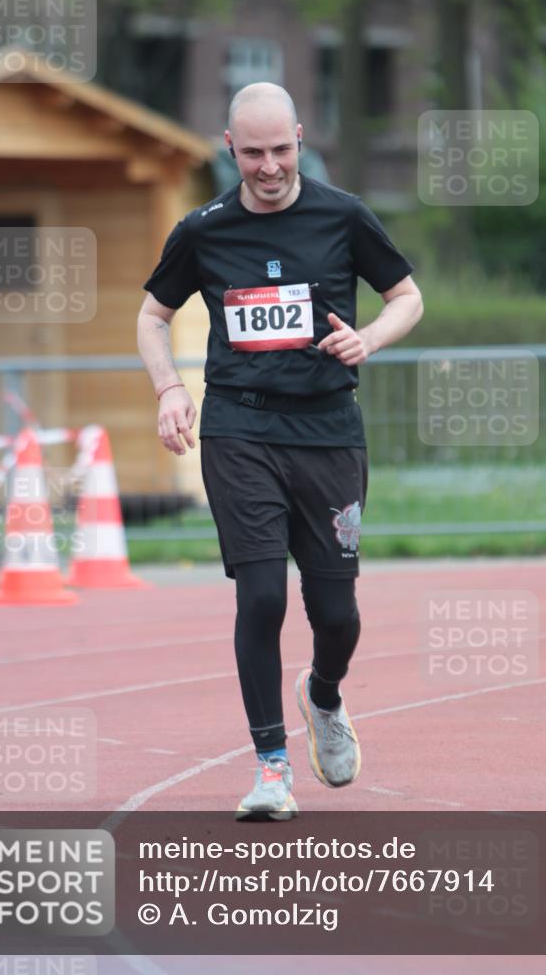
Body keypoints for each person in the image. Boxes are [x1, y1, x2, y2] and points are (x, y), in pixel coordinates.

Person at [138, 83, 423, 820]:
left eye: (281, 150)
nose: (268, 167)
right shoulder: (203, 230)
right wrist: (170, 389)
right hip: (238, 429)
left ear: (300, 138)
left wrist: (370, 339)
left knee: (337, 613)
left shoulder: (343, 213)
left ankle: (323, 695)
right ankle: (271, 769)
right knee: (261, 597)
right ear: (228, 148)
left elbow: (407, 297)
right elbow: (151, 315)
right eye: (253, 153)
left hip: (327, 430)